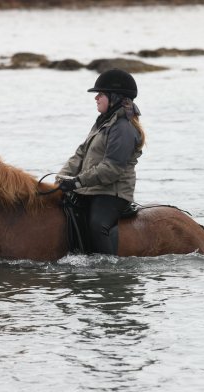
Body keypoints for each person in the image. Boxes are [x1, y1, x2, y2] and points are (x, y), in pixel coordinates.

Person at [57, 69, 145, 254]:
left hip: (113, 193)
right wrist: (61, 178)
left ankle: (108, 271)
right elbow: (81, 153)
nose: (96, 97)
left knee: (97, 226)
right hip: (90, 188)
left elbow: (111, 168)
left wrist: (77, 181)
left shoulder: (123, 128)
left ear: (115, 97)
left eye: (101, 94)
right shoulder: (102, 122)